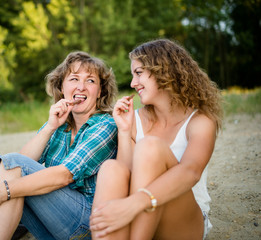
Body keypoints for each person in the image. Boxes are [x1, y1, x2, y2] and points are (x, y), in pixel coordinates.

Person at [89, 39, 223, 240]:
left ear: (163, 71)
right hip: (138, 218)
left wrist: (136, 202)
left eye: (139, 73)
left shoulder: (200, 121)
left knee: (150, 147)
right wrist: (124, 132)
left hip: (182, 221)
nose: (133, 83)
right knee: (111, 169)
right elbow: (126, 177)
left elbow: (191, 171)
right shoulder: (133, 120)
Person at [0, 51, 118, 240]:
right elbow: (16, 166)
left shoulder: (106, 125)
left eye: (90, 81)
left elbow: (64, 175)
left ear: (101, 91)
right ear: (62, 87)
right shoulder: (59, 123)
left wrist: (4, 190)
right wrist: (49, 128)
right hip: (56, 226)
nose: (81, 87)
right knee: (11, 168)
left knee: (12, 176)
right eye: (74, 79)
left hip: (86, 226)